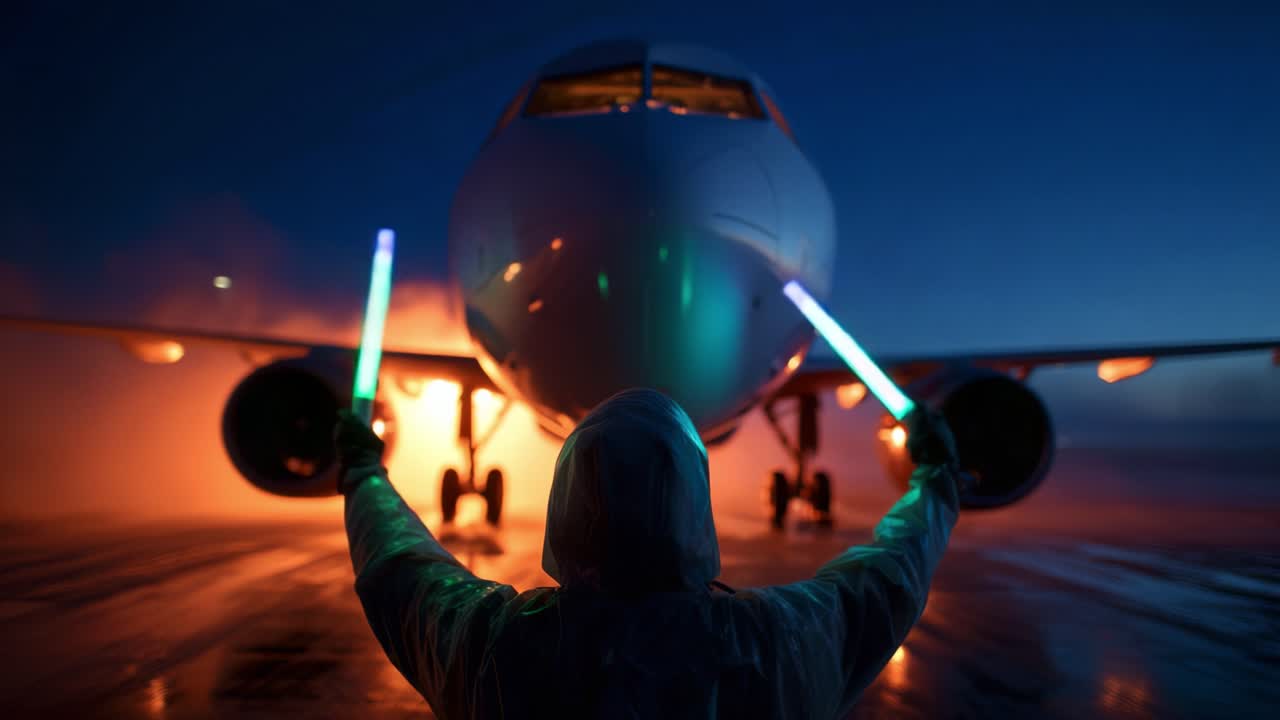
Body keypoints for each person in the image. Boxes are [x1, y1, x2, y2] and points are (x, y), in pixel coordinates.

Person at [334, 387, 963, 719]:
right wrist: (935, 479)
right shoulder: (777, 644)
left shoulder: (492, 647)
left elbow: (399, 566)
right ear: (694, 502)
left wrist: (363, 473)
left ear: (567, 501)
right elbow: (891, 575)